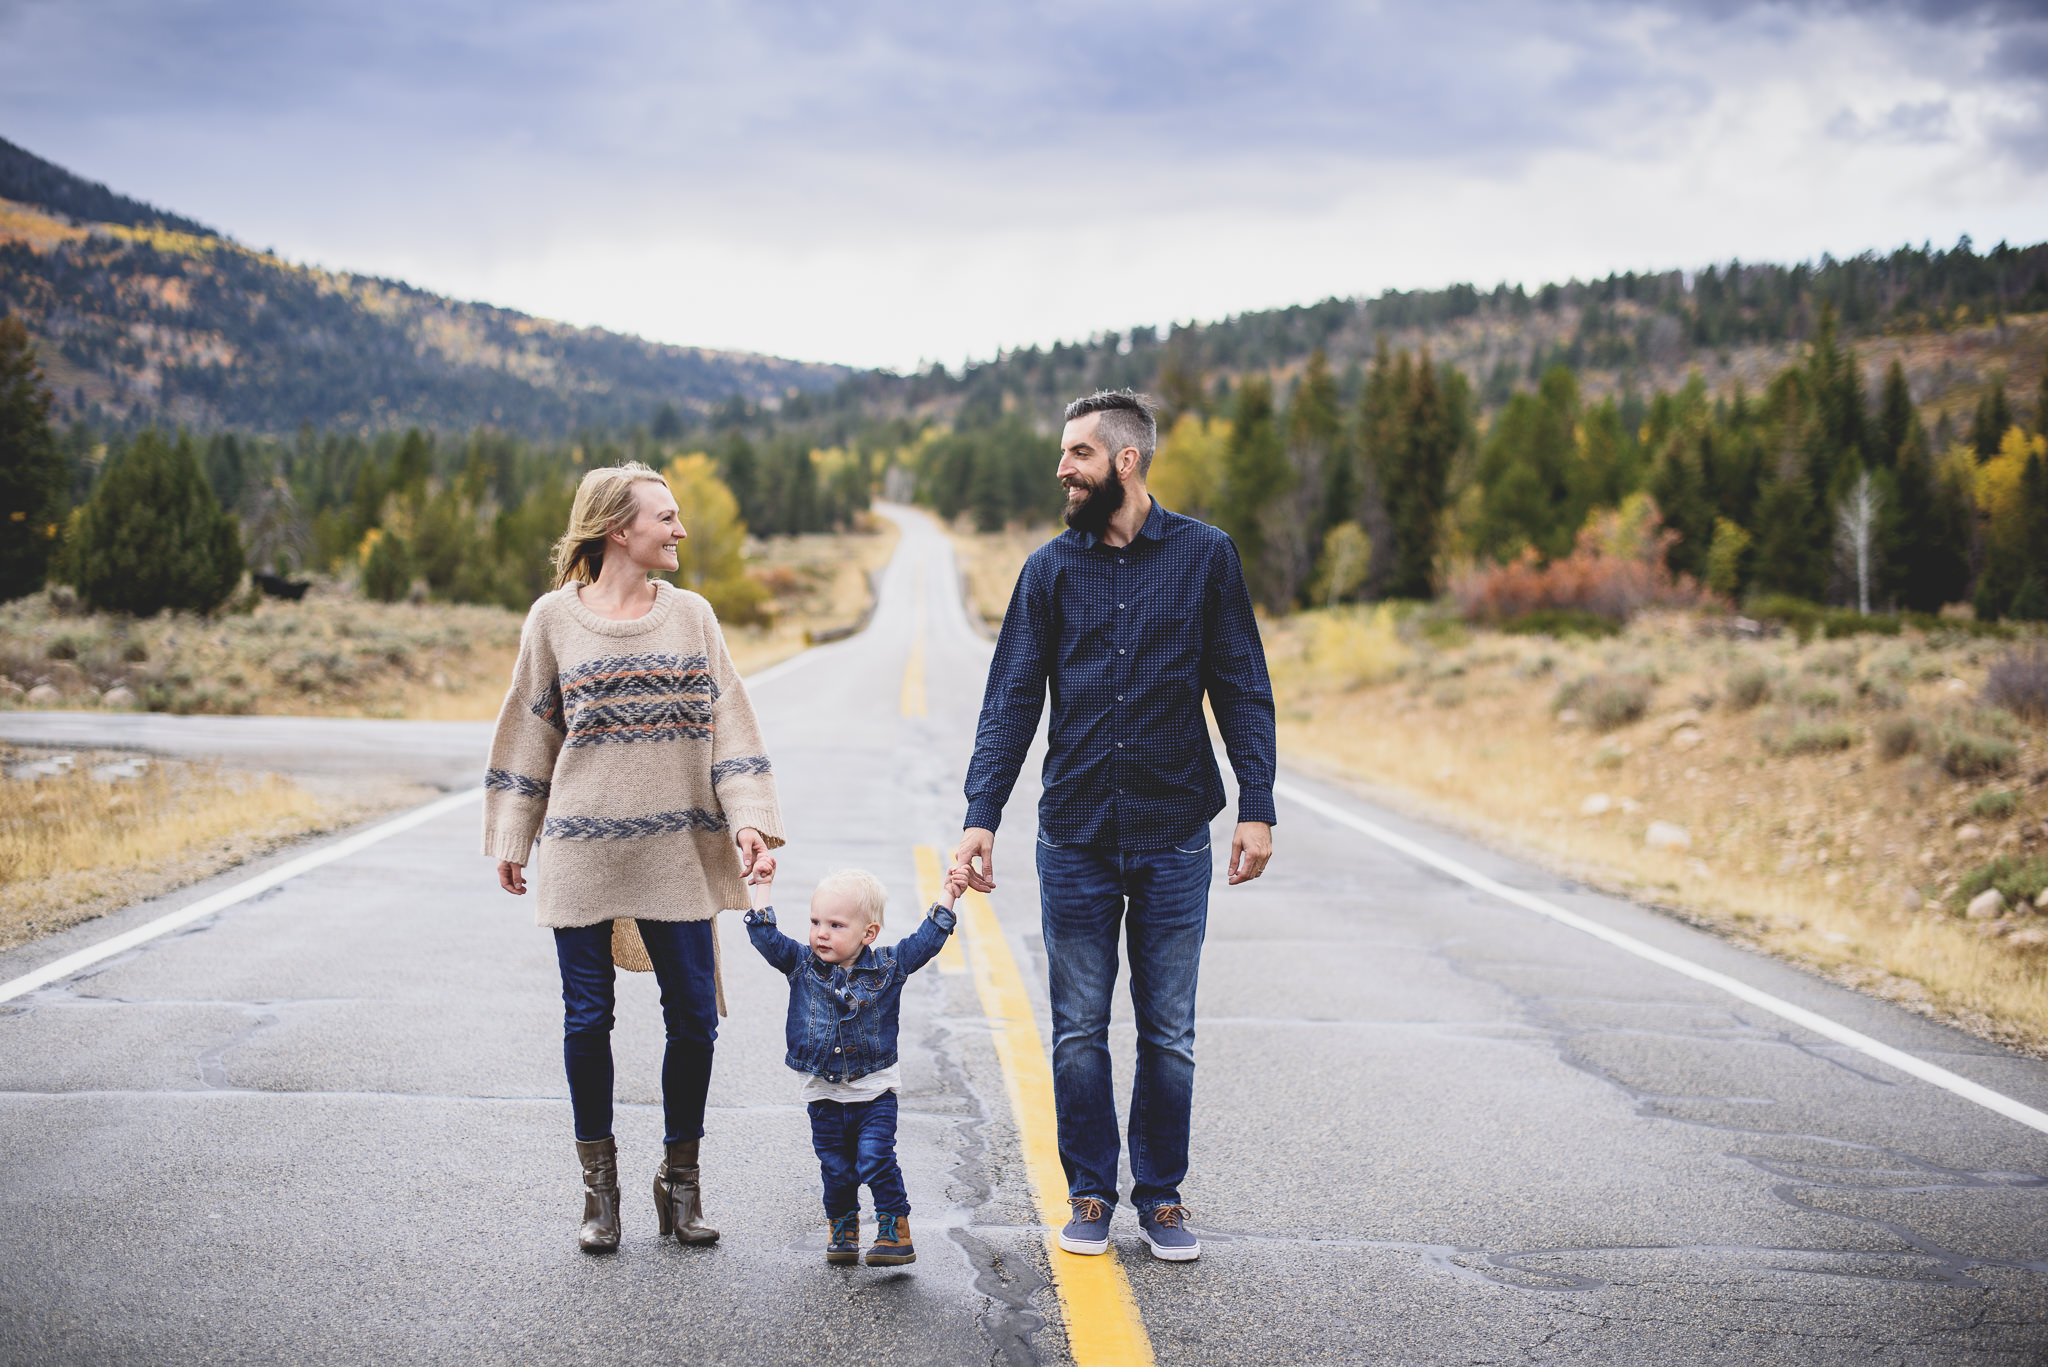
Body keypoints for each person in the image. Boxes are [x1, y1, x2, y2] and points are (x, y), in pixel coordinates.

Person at [954, 389, 1277, 1263]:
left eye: (1078, 455)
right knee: (1077, 1029)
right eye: (1065, 455)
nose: (1063, 469)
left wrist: (1257, 801)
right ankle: (1091, 1191)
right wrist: (982, 815)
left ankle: (1162, 1198)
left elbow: (1241, 682)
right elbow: (1011, 700)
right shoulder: (1050, 571)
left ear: (1125, 462)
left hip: (1175, 832)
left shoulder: (1207, 558)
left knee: (1169, 1030)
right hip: (1077, 835)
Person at [483, 461, 783, 1254]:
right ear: (621, 528)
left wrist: (750, 820)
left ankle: (678, 1185)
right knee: (587, 1020)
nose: (680, 530)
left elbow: (734, 728)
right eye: (667, 517)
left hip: (678, 850)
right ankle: (600, 1194)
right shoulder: (553, 620)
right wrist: (515, 832)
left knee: (693, 1021)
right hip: (581, 853)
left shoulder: (693, 618)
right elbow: (529, 730)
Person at [742, 859, 967, 1266]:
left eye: (835, 925)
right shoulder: (800, 965)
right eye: (815, 922)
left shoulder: (888, 967)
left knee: (876, 1159)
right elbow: (765, 937)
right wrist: (763, 888)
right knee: (836, 1169)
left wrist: (949, 893)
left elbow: (927, 940)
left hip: (873, 1092)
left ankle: (894, 1228)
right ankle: (843, 1227)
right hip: (824, 1095)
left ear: (869, 933)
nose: (820, 934)